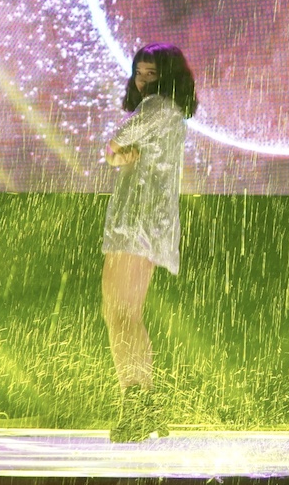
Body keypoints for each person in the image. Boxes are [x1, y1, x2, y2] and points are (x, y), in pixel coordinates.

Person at [101, 44, 198, 442]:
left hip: (136, 222)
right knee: (128, 314)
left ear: (167, 77)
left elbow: (114, 143)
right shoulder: (169, 111)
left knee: (119, 313)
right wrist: (117, 154)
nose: (142, 81)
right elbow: (118, 151)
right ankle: (145, 402)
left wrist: (116, 154)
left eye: (151, 74)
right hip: (148, 221)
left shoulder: (156, 107)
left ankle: (137, 404)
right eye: (139, 73)